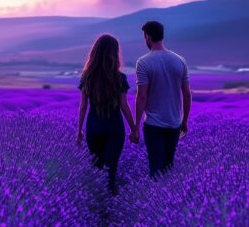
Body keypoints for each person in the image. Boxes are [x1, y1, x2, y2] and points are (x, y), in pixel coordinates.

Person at [131, 20, 191, 178]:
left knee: (155, 168)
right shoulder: (180, 61)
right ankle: (168, 199)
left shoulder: (143, 62)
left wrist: (136, 126)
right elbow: (187, 94)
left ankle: (156, 199)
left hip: (154, 124)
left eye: (145, 37)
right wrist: (184, 120)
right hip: (174, 123)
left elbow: (142, 96)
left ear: (148, 37)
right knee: (168, 166)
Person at [77, 34, 136, 193]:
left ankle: (96, 203)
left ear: (95, 52)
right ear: (114, 53)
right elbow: (124, 106)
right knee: (111, 170)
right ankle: (109, 205)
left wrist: (79, 131)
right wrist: (134, 129)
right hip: (114, 128)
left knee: (96, 168)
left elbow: (83, 106)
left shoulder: (87, 77)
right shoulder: (119, 78)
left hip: (93, 127)